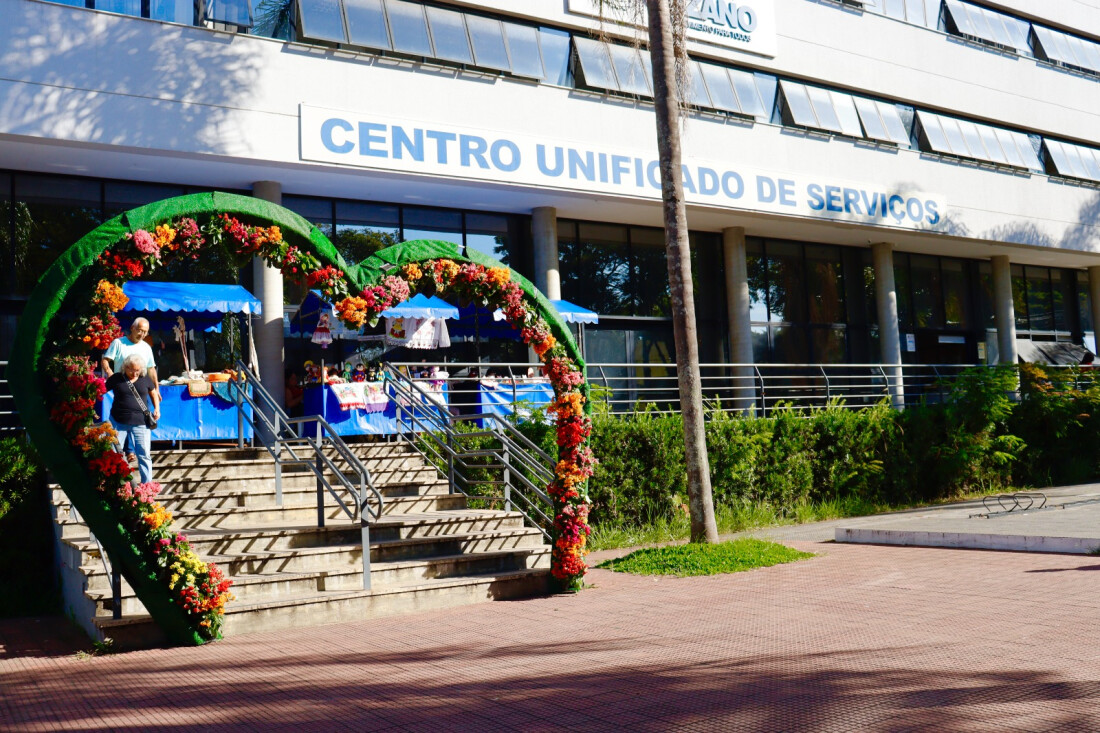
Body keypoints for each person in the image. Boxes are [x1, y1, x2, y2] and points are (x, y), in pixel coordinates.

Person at [105, 353, 160, 484]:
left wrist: (157, 408)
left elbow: (153, 393)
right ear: (125, 367)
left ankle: (147, 486)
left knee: (144, 454)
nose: (135, 373)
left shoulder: (145, 378)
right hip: (118, 421)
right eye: (132, 370)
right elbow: (101, 390)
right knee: (114, 453)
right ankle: (117, 483)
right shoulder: (116, 378)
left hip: (141, 423)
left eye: (138, 370)